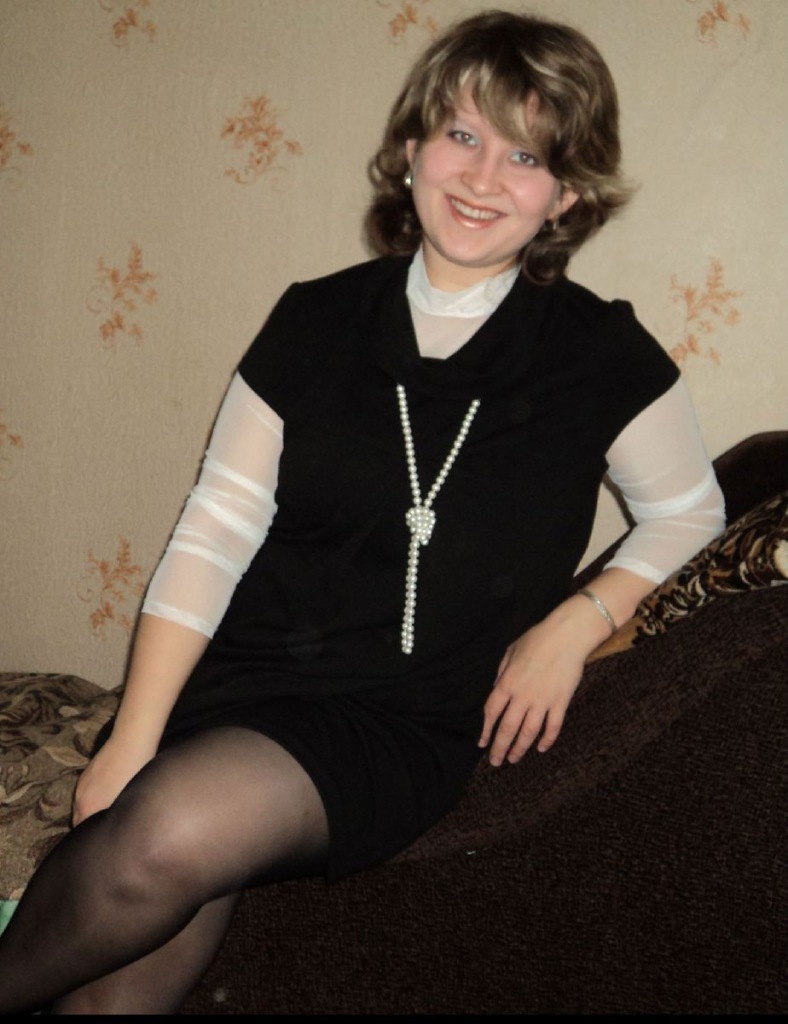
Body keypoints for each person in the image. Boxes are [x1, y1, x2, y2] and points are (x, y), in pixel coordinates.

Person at [0, 9, 725, 1015]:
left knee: (165, 835)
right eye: (462, 135)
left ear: (565, 193)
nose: (482, 178)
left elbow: (690, 512)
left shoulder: (599, 355)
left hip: (404, 721)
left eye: (526, 155)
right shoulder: (314, 318)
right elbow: (215, 531)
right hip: (247, 680)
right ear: (413, 147)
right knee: (114, 985)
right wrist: (134, 732)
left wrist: (578, 618)